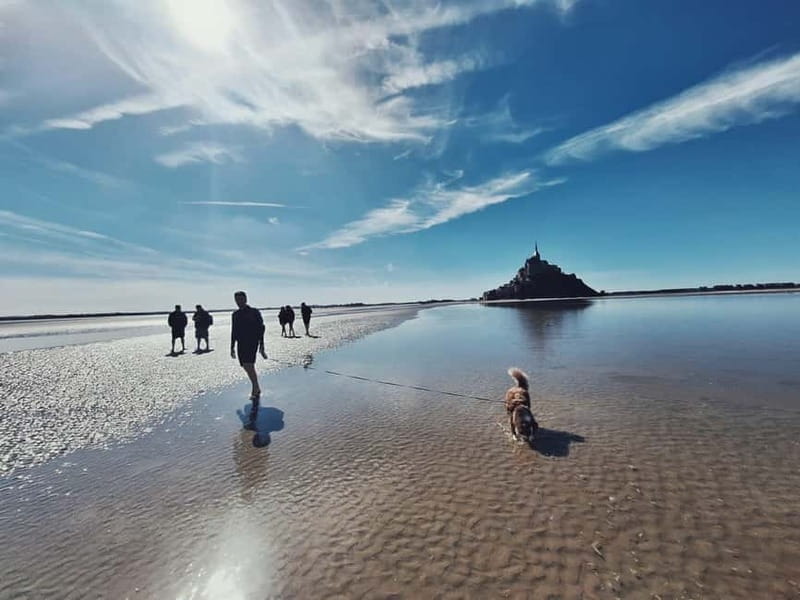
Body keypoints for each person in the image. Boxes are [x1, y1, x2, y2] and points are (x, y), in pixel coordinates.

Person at [230, 291, 267, 420]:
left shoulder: (254, 312)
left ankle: (255, 387)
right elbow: (234, 330)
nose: (239, 302)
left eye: (241, 299)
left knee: (249, 364)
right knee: (245, 366)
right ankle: (256, 386)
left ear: (245, 299)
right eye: (237, 300)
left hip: (252, 341)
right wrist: (232, 346)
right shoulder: (235, 314)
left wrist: (261, 345)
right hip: (241, 343)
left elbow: (261, 328)